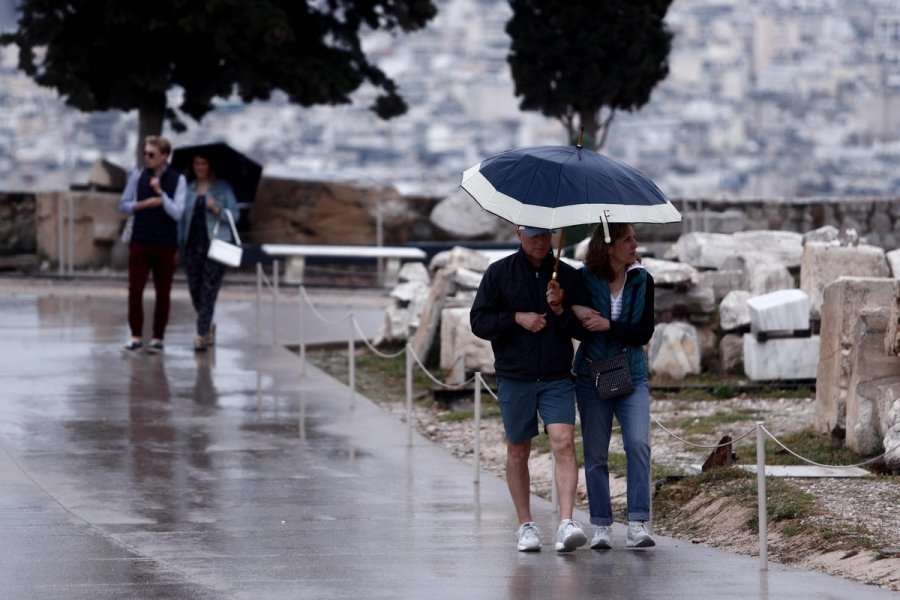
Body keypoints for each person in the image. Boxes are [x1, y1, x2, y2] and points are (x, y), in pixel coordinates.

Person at [470, 225, 587, 553]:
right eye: (532, 234)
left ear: (553, 235)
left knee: (564, 443)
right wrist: (515, 318)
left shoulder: (568, 275)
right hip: (514, 375)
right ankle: (525, 526)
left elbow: (583, 328)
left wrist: (560, 308)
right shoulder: (498, 273)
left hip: (556, 375)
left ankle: (566, 524)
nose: (539, 241)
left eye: (545, 234)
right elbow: (479, 321)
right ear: (519, 233)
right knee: (518, 450)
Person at [570, 223, 656, 550]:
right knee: (595, 453)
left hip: (632, 373)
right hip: (592, 373)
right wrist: (569, 306)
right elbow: (573, 327)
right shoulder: (582, 278)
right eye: (627, 239)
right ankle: (602, 525)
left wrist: (608, 324)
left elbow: (644, 332)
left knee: (637, 443)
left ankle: (637, 522)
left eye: (634, 239)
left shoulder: (643, 279)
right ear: (608, 247)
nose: (635, 244)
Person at [119, 136, 186, 354]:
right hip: (140, 239)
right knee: (135, 290)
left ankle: (158, 337)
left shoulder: (178, 180)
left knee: (163, 292)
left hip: (165, 243)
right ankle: (136, 335)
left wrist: (161, 194)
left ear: (164, 156)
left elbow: (178, 212)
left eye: (151, 154)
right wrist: (143, 204)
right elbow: (124, 204)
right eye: (145, 154)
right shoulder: (138, 175)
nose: (147, 158)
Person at [177, 153, 239, 351]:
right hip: (192, 245)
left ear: (210, 166)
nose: (200, 167)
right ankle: (208, 326)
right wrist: (178, 247)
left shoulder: (222, 188)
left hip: (215, 245)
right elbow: (181, 221)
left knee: (208, 291)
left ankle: (200, 334)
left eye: (204, 163)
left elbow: (235, 216)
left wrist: (217, 210)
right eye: (196, 163)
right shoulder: (188, 190)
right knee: (195, 289)